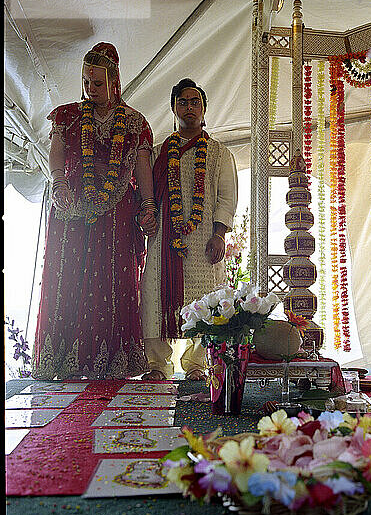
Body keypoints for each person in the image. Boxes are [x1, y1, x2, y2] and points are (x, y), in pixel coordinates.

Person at [32, 42, 157, 380]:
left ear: (115, 82)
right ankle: (62, 361)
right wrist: (58, 184)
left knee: (113, 279)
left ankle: (110, 362)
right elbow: (55, 153)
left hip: (116, 211)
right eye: (86, 82)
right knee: (68, 276)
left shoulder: (134, 122)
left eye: (97, 83)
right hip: (71, 205)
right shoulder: (68, 115)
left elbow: (142, 165)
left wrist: (147, 205)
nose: (90, 89)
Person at [140, 78, 238, 380]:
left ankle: (197, 365)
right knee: (155, 295)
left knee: (203, 297)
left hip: (204, 238)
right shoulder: (156, 154)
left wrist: (220, 233)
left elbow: (227, 195)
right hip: (163, 240)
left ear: (204, 109)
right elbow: (145, 196)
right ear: (173, 108)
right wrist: (146, 215)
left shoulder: (220, 153)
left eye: (195, 101)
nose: (189, 107)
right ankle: (157, 365)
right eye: (182, 101)